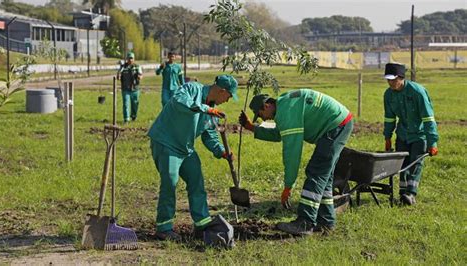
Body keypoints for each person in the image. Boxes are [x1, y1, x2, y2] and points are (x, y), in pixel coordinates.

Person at [239, 89, 353, 236]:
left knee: (316, 172)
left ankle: (305, 222)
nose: (263, 120)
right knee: (324, 176)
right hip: (339, 123)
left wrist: (288, 185)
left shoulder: (287, 111)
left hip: (336, 126)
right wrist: (251, 128)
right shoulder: (285, 105)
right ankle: (326, 221)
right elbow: (278, 133)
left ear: (266, 106)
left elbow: (292, 152)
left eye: (260, 115)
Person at [148, 74, 239, 241]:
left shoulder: (212, 110)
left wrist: (221, 151)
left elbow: (209, 133)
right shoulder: (192, 89)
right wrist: (204, 108)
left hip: (185, 148)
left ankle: (202, 224)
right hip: (166, 142)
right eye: (229, 96)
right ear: (221, 91)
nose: (227, 100)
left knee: (196, 179)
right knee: (170, 181)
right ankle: (164, 227)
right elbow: (178, 101)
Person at [383, 63, 439, 205]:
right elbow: (389, 118)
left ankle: (411, 193)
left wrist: (432, 142)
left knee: (416, 163)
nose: (390, 83)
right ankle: (402, 193)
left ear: (401, 78)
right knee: (402, 163)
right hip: (402, 134)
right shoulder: (388, 95)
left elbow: (428, 118)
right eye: (388, 80)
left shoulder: (417, 92)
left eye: (393, 80)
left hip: (419, 135)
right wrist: (387, 137)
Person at [117, 51, 143, 123]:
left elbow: (141, 75)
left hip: (135, 89)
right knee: (126, 104)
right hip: (125, 89)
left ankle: (133, 116)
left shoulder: (137, 66)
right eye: (129, 58)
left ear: (134, 59)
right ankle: (126, 119)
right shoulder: (123, 67)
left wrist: (139, 77)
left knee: (135, 104)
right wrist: (118, 76)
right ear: (127, 59)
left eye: (132, 58)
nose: (130, 60)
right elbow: (118, 75)